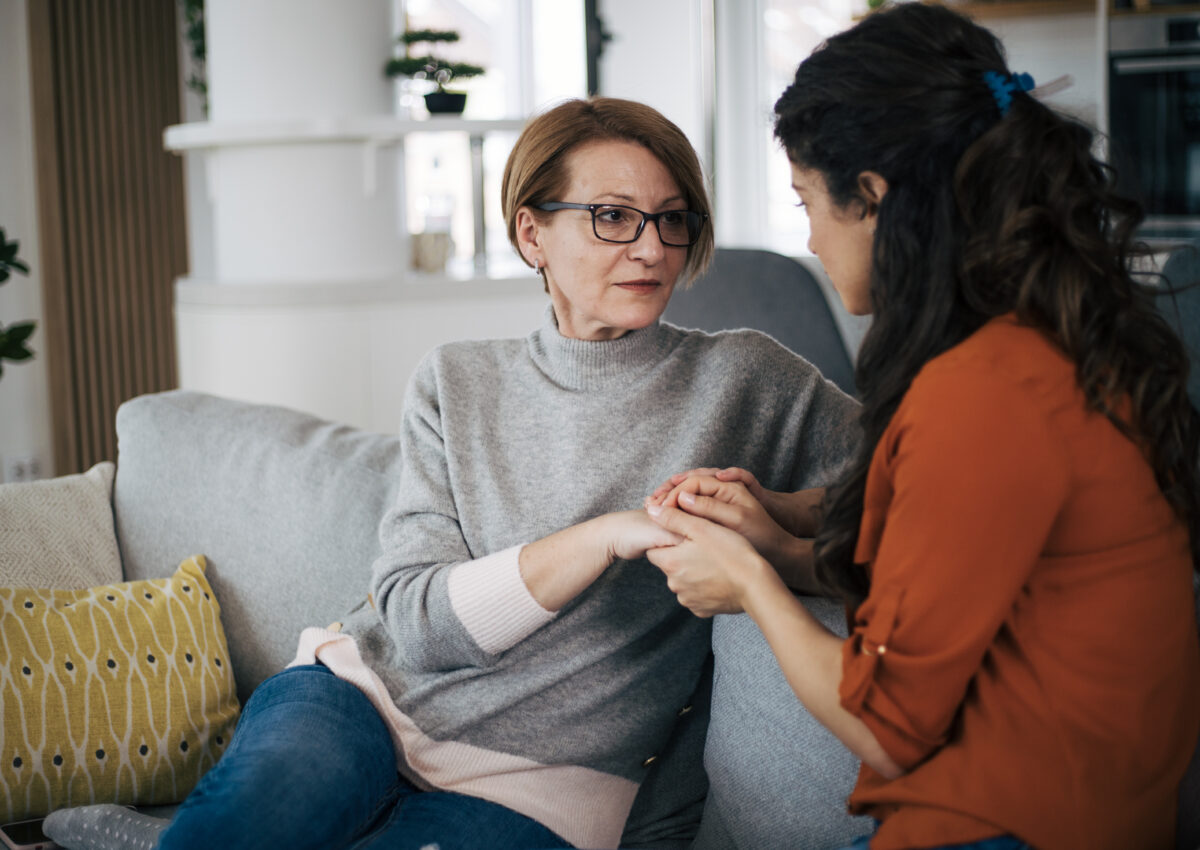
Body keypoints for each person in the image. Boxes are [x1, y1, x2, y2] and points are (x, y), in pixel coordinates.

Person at [41, 97, 857, 850]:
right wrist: (604, 537)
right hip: (365, 702)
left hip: (545, 788)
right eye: (612, 217)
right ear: (531, 233)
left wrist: (773, 514)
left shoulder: (750, 380)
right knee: (248, 828)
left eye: (671, 220)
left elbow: (908, 485)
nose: (651, 247)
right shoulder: (457, 381)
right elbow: (418, 626)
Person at [643, 5, 1200, 850]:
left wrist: (747, 584)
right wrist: (787, 530)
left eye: (810, 203)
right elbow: (963, 578)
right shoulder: (1045, 349)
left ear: (872, 198)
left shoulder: (984, 395)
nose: (810, 239)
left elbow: (887, 730)